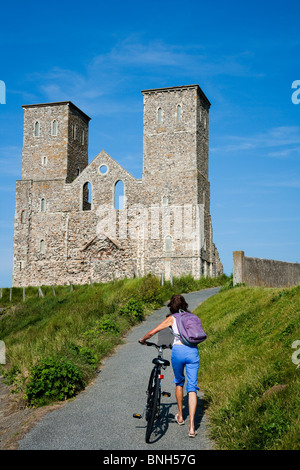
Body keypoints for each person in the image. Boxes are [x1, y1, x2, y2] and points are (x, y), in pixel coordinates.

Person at [139, 294, 200, 437]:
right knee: (192, 388)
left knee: (179, 382)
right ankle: (192, 427)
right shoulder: (192, 317)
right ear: (185, 305)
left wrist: (143, 339)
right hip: (193, 352)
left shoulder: (172, 318)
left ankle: (180, 416)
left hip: (178, 351)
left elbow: (153, 332)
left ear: (171, 306)